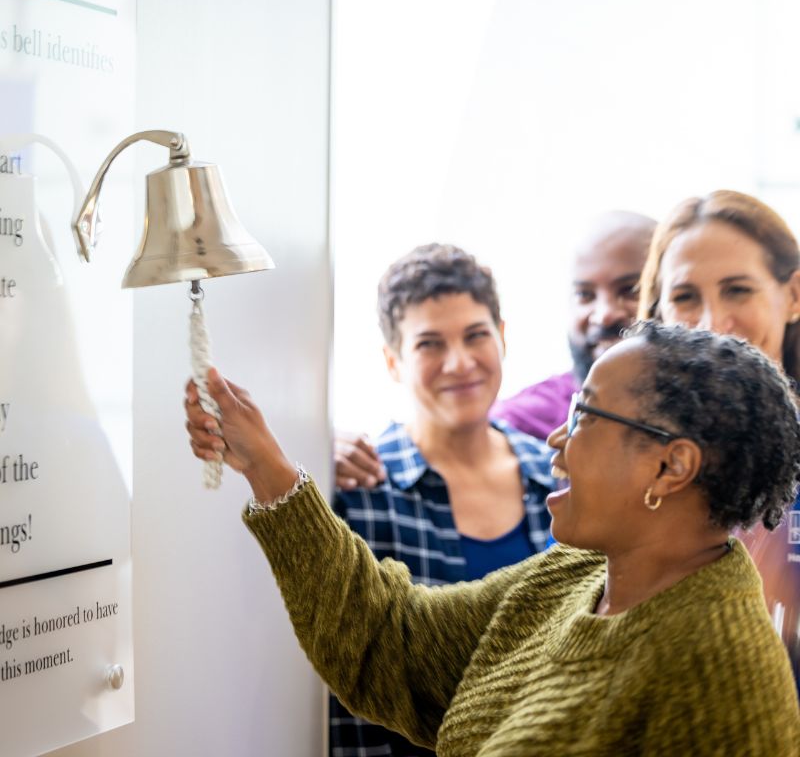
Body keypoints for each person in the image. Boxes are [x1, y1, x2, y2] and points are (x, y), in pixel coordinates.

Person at [185, 322, 800, 755]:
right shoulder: (574, 574)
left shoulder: (724, 677)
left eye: (584, 416)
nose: (557, 439)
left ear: (671, 467)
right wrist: (267, 467)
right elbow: (392, 639)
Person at [333, 244, 555, 755]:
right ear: (393, 362)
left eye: (476, 335)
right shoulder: (359, 492)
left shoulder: (557, 480)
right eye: (430, 344)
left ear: (502, 336)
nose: (460, 362)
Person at [336, 211, 656, 489]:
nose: (604, 314)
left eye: (630, 290)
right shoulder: (537, 434)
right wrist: (320, 456)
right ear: (393, 362)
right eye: (584, 294)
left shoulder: (538, 476)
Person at [637, 189, 800, 693]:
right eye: (686, 297)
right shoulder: (623, 460)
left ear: (793, 296)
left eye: (737, 290)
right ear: (659, 313)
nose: (712, 325)